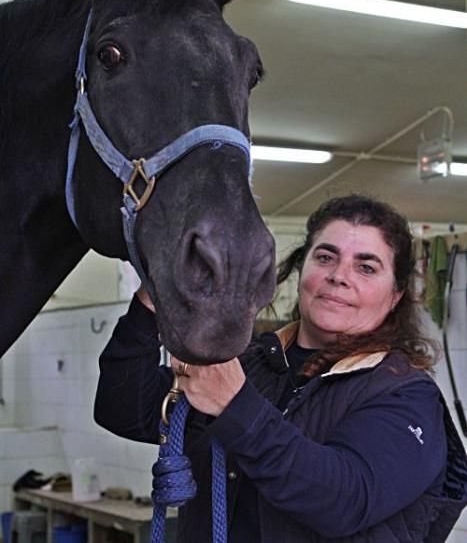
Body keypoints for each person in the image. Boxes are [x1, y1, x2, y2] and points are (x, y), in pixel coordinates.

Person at [94, 194, 467, 542]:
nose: (339, 275)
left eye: (366, 267)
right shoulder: (249, 364)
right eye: (325, 257)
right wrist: (153, 297)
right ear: (301, 268)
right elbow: (124, 408)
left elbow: (343, 501)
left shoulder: (405, 394)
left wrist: (236, 407)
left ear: (395, 295)